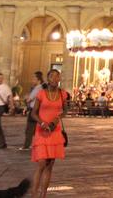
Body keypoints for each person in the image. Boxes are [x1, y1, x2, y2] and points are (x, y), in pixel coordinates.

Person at [31, 69, 66, 198]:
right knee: (41, 164)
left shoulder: (63, 94)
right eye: (52, 76)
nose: (55, 78)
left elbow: (65, 110)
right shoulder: (42, 94)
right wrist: (42, 123)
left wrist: (58, 118)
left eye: (57, 76)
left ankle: (43, 194)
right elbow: (33, 113)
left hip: (55, 131)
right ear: (48, 79)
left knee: (50, 165)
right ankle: (34, 194)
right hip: (42, 130)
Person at [21, 71, 45, 150]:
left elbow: (29, 99)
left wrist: (25, 99)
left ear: (38, 80)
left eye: (34, 78)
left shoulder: (38, 88)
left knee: (29, 129)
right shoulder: (40, 88)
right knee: (35, 129)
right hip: (37, 110)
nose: (32, 80)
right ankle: (38, 143)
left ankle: (26, 145)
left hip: (33, 110)